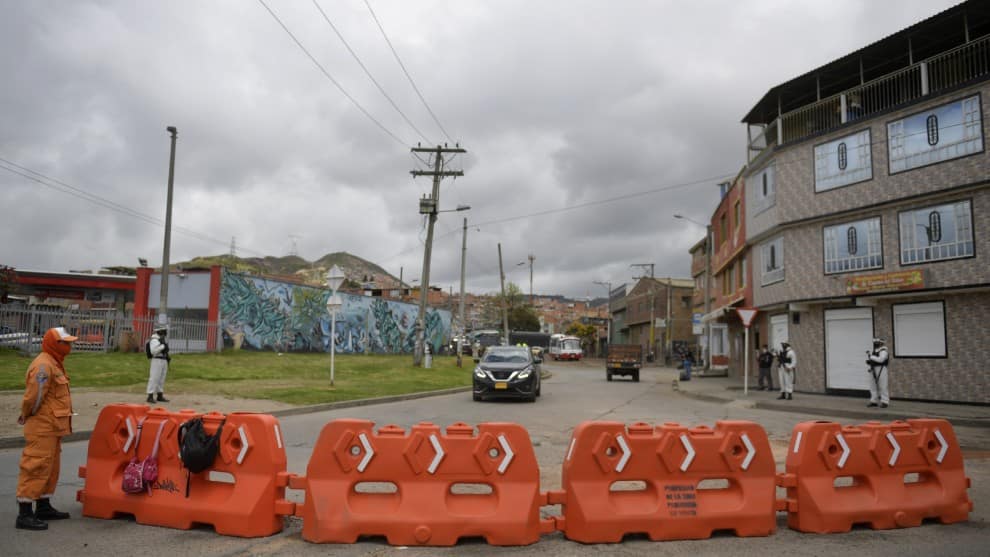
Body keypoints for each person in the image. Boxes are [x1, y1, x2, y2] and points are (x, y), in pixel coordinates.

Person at [16, 327, 78, 530]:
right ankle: (24, 513)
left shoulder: (54, 362)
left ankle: (43, 505)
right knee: (35, 466)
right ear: (55, 344)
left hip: (52, 426)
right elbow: (33, 397)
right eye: (65, 342)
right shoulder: (44, 365)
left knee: (50, 468)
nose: (69, 346)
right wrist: (27, 414)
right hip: (42, 426)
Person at [146, 325, 171, 404]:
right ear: (160, 331)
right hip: (157, 360)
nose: (165, 333)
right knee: (154, 378)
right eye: (164, 331)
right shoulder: (155, 340)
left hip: (163, 360)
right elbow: (153, 351)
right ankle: (150, 396)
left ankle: (159, 395)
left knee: (161, 378)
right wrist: (163, 346)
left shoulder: (161, 340)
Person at [866, 337, 890, 408]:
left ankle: (885, 401)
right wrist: (869, 361)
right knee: (872, 385)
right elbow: (874, 359)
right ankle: (874, 401)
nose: (876, 344)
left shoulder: (884, 350)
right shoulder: (875, 351)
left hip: (881, 368)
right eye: (875, 343)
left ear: (881, 343)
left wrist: (871, 357)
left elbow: (881, 360)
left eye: (877, 342)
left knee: (883, 385)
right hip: (873, 368)